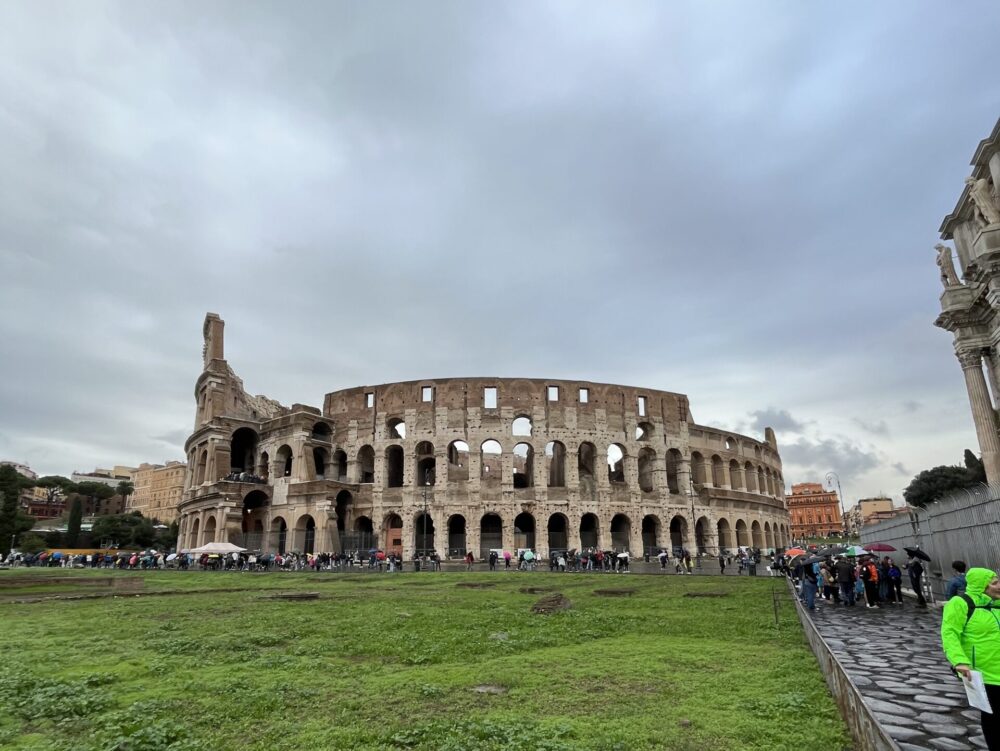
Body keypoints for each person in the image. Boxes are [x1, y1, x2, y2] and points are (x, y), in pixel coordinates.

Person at [941, 568, 1000, 749]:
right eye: (995, 583)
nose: (999, 586)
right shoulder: (960, 603)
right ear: (981, 585)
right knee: (992, 716)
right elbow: (950, 633)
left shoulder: (997, 604)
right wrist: (959, 660)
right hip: (984, 673)